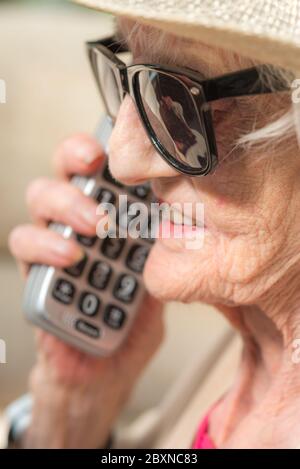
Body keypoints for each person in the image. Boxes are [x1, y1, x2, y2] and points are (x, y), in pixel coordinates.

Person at [7, 0, 300, 448]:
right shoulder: (256, 338)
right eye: (129, 72)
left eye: (180, 99)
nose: (122, 160)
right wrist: (74, 407)